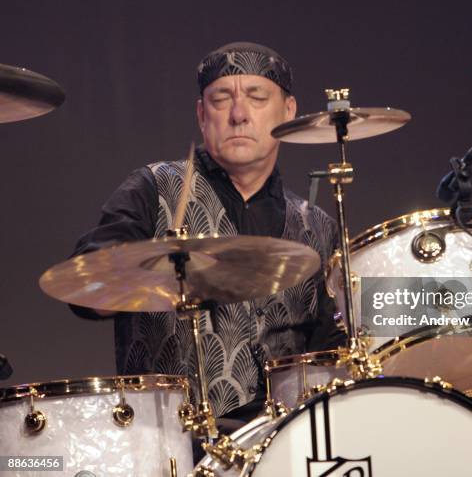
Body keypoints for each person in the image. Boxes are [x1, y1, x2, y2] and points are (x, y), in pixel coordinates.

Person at [70, 42, 345, 427]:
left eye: (256, 97)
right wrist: (139, 278)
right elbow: (86, 283)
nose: (238, 115)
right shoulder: (152, 189)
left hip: (285, 441)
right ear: (202, 114)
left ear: (288, 111)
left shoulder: (316, 225)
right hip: (171, 440)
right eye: (221, 99)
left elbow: (329, 352)